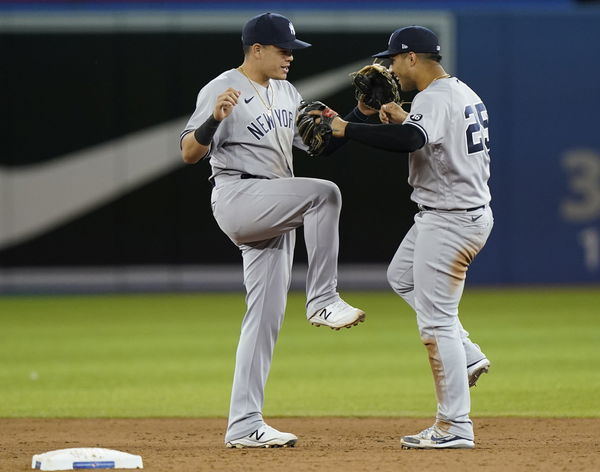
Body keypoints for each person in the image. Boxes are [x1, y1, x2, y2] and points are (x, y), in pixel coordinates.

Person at [179, 12, 366, 449]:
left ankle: (244, 424)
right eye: (283, 51)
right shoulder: (222, 86)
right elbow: (189, 151)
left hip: (274, 205)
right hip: (238, 196)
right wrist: (212, 120)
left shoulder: (286, 92)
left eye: (292, 51)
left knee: (263, 320)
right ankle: (322, 299)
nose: (290, 58)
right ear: (256, 49)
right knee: (325, 195)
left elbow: (319, 143)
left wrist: (360, 114)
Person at [319, 26, 493, 449]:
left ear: (413, 57)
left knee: (437, 323)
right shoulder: (459, 92)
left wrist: (347, 129)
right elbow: (424, 132)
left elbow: (412, 139)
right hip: (460, 215)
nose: (392, 68)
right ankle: (467, 353)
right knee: (402, 277)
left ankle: (454, 426)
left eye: (395, 59)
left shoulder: (433, 98)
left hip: (449, 221)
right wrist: (401, 117)